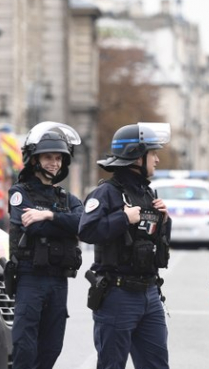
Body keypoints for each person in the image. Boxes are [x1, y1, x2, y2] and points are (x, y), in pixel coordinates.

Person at [78, 122, 172, 369]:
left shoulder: (148, 193)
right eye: (153, 153)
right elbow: (86, 230)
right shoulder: (106, 193)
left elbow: (153, 243)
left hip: (150, 294)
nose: (157, 160)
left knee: (157, 365)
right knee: (112, 364)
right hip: (118, 294)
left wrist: (164, 221)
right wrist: (122, 218)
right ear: (136, 156)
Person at [8, 121, 84, 368]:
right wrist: (62, 223)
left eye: (59, 158)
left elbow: (84, 223)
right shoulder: (20, 192)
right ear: (34, 160)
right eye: (48, 157)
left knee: (52, 346)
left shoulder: (67, 198)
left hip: (58, 280)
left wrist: (49, 215)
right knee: (24, 344)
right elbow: (33, 226)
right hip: (31, 277)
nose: (55, 163)